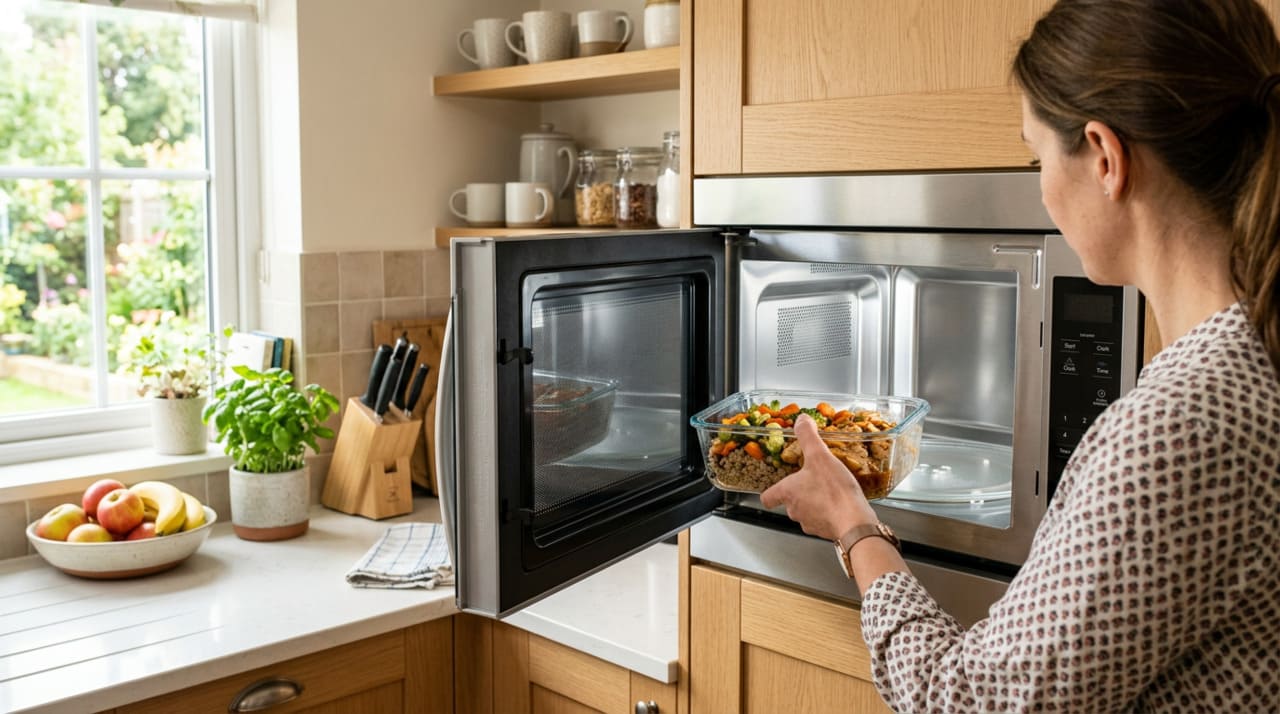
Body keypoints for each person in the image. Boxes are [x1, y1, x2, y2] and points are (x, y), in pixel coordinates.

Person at [760, 0, 1280, 710]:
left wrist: (853, 526)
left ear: (1104, 157)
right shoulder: (1250, 354)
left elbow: (967, 702)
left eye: (1035, 155)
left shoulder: (1182, 424)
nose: (1040, 186)